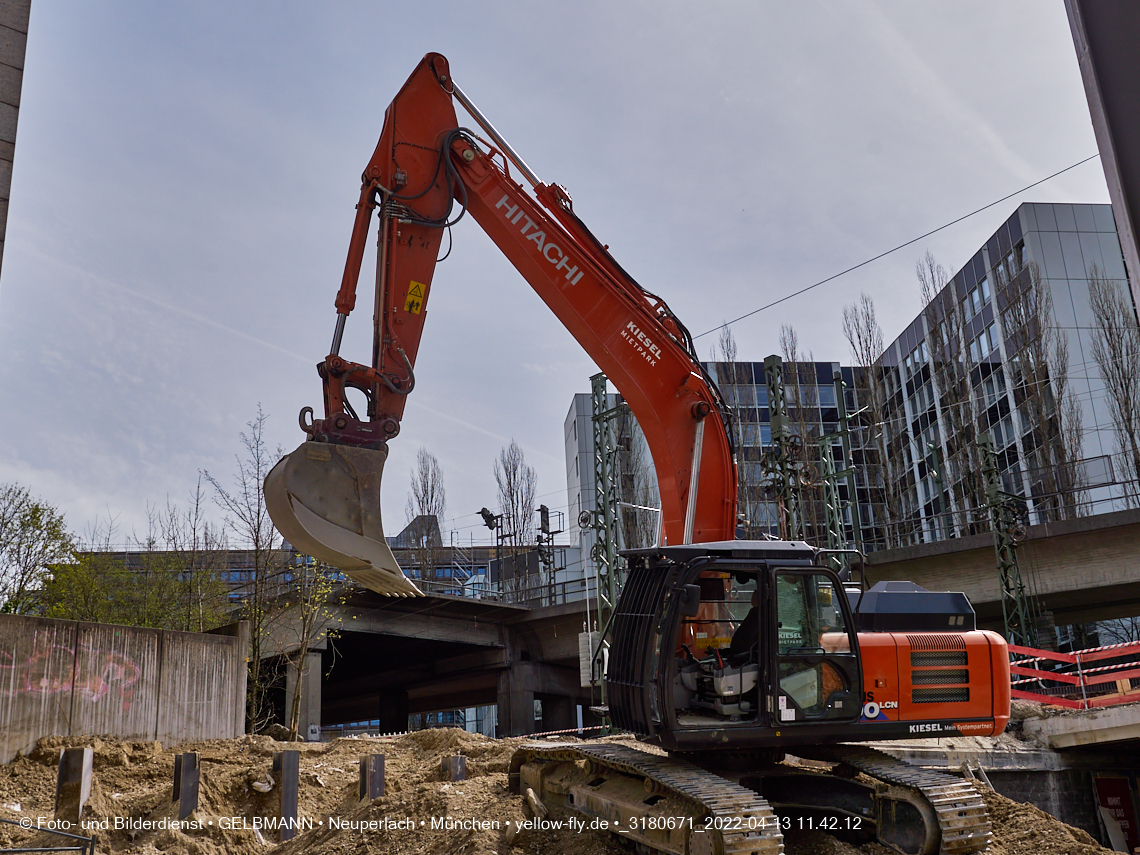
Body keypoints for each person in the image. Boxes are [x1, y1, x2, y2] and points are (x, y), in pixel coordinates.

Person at [727, 589, 760, 659]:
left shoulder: (758, 614)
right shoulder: (754, 613)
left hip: (744, 655)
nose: (752, 597)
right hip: (741, 653)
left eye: (754, 595)